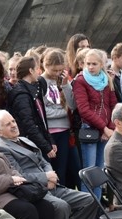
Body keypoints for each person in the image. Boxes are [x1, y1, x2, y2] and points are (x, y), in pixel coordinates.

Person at [0, 110, 95, 219]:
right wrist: (45, 178)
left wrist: (50, 174)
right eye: (8, 124)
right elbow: (19, 175)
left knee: (89, 200)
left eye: (13, 121)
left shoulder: (24, 140)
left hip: (52, 184)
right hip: (35, 190)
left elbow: (43, 161)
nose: (13, 125)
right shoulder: (1, 149)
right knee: (61, 206)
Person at [72, 48, 117, 202]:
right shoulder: (80, 81)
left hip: (106, 130)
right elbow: (84, 110)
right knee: (89, 172)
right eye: (88, 64)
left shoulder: (106, 79)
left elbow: (113, 105)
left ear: (102, 64)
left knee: (99, 172)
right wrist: (104, 128)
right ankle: (89, 209)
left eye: (94, 64)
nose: (90, 67)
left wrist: (110, 128)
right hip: (90, 129)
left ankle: (97, 209)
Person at [41, 48, 80, 190]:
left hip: (65, 131)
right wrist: (64, 112)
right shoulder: (41, 82)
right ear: (45, 66)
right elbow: (42, 111)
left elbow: (72, 105)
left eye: (60, 70)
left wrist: (65, 84)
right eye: (54, 70)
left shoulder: (62, 80)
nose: (57, 73)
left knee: (65, 170)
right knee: (55, 170)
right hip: (50, 131)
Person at [8, 56, 56, 159]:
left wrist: (50, 140)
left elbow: (41, 120)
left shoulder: (33, 89)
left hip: (38, 142)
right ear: (31, 70)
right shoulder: (21, 95)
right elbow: (29, 124)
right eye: (37, 69)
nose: (39, 72)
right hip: (30, 145)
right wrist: (45, 146)